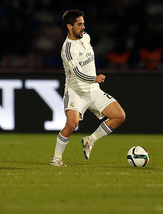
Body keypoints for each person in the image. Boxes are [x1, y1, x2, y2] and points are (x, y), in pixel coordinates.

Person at [50, 9, 126, 167]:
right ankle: (56, 159)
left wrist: (94, 81)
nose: (83, 27)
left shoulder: (87, 37)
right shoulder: (68, 49)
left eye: (83, 23)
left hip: (94, 90)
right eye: (79, 24)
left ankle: (90, 140)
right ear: (69, 26)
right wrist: (94, 78)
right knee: (71, 124)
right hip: (76, 92)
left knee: (119, 116)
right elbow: (76, 72)